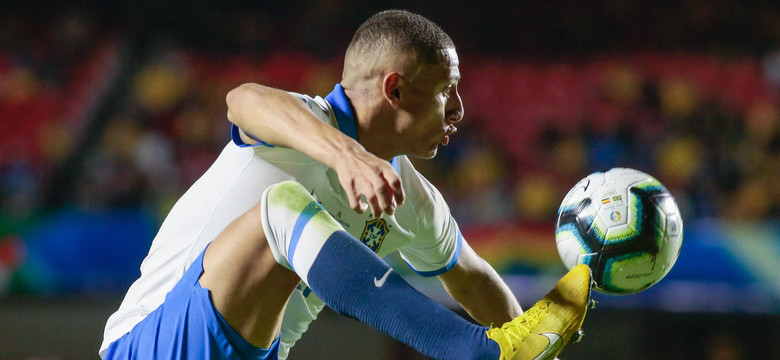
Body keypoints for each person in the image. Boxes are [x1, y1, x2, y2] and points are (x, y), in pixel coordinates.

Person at [100, 9, 592, 360]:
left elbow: (474, 278)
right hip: (155, 342)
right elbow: (243, 99)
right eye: (446, 90)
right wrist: (346, 155)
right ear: (395, 89)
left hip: (254, 354)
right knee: (282, 206)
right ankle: (470, 352)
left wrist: (534, 347)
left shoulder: (415, 201)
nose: (460, 109)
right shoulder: (301, 122)